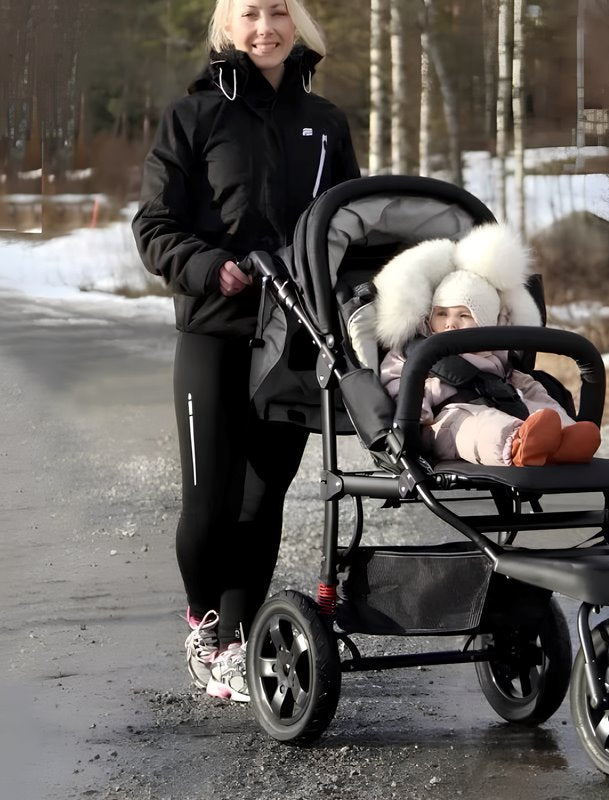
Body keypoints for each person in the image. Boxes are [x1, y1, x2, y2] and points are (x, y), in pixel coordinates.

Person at [132, 0, 360, 702]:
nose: (266, 27)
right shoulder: (192, 117)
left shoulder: (325, 124)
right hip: (216, 331)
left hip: (292, 339)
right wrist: (209, 266)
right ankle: (206, 630)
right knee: (211, 500)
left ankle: (238, 641)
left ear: (299, 24)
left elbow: (349, 224)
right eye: (250, 14)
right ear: (228, 26)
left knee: (264, 500)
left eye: (279, 12)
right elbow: (155, 225)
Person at [374, 224, 601, 467]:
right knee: (480, 425)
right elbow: (397, 380)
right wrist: (415, 414)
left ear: (485, 323)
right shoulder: (416, 351)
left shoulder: (496, 352)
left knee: (539, 402)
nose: (450, 324)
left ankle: (567, 438)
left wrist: (536, 395)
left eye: (463, 316)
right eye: (441, 314)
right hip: (443, 420)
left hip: (500, 405)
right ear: (429, 316)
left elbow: (516, 380)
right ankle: (516, 445)